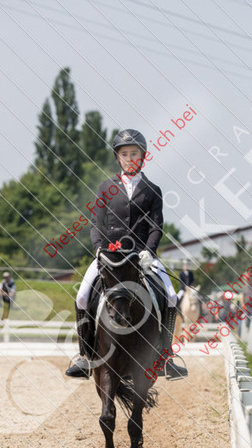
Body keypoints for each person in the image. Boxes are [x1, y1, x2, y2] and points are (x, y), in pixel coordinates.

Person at [66, 129, 187, 380]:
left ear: (142, 157)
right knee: (82, 296)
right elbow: (96, 223)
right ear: (118, 157)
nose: (129, 158)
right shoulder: (105, 187)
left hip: (142, 254)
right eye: (125, 154)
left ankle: (166, 357)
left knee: (172, 296)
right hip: (110, 255)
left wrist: (149, 252)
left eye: (134, 153)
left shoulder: (152, 190)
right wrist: (99, 248)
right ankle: (85, 356)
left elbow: (156, 226)